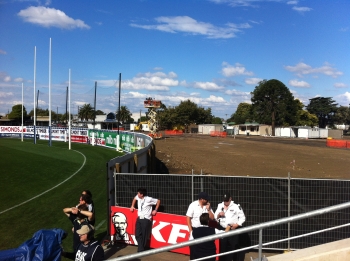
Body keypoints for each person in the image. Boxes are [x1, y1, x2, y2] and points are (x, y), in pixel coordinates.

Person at [214, 192, 246, 261]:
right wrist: (219, 215)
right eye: (224, 200)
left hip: (232, 230)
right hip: (222, 229)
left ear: (230, 199)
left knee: (232, 248)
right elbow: (215, 217)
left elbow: (242, 218)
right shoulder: (220, 205)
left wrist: (236, 225)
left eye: (227, 201)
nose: (225, 202)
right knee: (222, 248)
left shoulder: (236, 206)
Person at [130, 187, 160, 252]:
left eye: (138, 193)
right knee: (137, 234)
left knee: (144, 235)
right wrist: (132, 206)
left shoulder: (149, 199)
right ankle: (141, 248)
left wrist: (155, 210)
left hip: (146, 219)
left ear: (142, 194)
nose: (137, 194)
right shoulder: (138, 197)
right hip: (139, 218)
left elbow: (158, 201)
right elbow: (134, 199)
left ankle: (140, 249)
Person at [186, 192, 214, 259]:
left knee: (203, 251)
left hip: (206, 230)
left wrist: (209, 209)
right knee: (194, 250)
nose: (208, 201)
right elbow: (188, 217)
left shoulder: (208, 206)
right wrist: (190, 231)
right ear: (202, 199)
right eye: (206, 199)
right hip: (195, 230)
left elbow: (212, 218)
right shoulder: (193, 205)